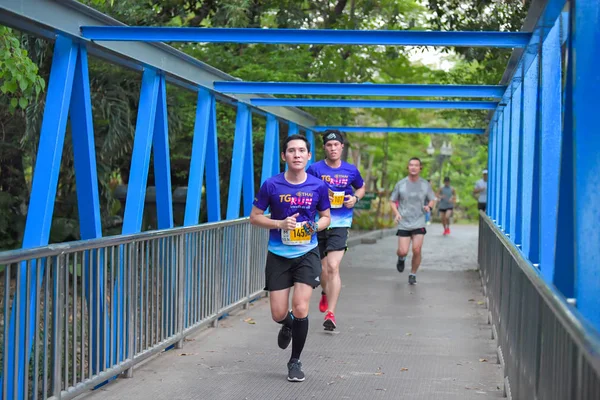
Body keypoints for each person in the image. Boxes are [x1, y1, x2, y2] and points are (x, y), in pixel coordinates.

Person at [250, 134, 331, 382]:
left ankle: (294, 361)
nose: (297, 155)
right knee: (278, 313)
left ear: (308, 156)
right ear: (284, 156)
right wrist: (279, 223)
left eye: (301, 151)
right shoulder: (271, 185)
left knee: (301, 307)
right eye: (292, 151)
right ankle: (287, 324)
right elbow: (254, 216)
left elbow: (326, 217)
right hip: (278, 255)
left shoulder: (318, 186)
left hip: (307, 253)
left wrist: (316, 227)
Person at [306, 130, 365, 332]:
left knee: (333, 266)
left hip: (340, 223)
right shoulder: (314, 169)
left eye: (336, 145)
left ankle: (330, 313)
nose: (333, 148)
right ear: (325, 147)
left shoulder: (350, 170)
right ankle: (325, 291)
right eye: (329, 145)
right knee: (323, 270)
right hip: (319, 222)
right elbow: (305, 189)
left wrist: (355, 198)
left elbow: (361, 187)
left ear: (341, 147)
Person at [389, 157, 435, 285]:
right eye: (411, 165)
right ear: (408, 167)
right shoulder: (401, 184)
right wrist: (397, 213)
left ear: (420, 168)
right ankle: (401, 258)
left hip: (419, 220)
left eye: (416, 165)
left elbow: (432, 199)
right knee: (403, 250)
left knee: (417, 249)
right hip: (404, 221)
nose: (413, 167)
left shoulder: (425, 184)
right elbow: (392, 201)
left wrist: (429, 207)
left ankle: (413, 274)